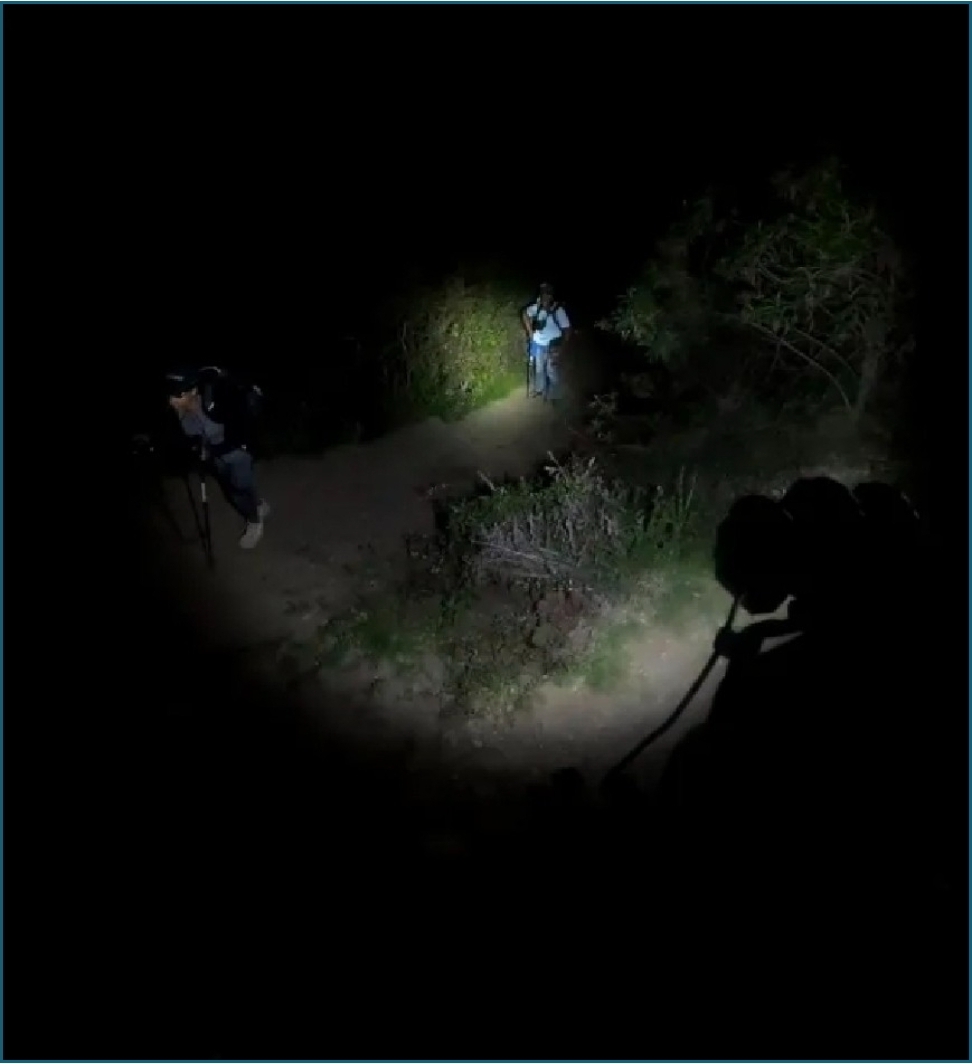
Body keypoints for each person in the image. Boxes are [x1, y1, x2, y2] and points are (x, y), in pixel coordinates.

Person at [166, 366, 269, 550]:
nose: (171, 401)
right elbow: (192, 432)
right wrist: (184, 413)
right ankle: (258, 504)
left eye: (175, 396)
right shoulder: (186, 406)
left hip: (236, 452)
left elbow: (222, 431)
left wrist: (196, 412)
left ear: (190, 391)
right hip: (218, 455)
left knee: (237, 492)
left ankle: (254, 521)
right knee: (236, 485)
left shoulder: (215, 397)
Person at [521, 282, 571, 402]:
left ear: (551, 296)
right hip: (538, 343)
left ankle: (555, 395)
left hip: (553, 345)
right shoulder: (537, 307)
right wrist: (530, 332)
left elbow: (567, 330)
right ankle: (540, 390)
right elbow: (524, 314)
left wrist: (561, 347)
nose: (545, 297)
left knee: (551, 370)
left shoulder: (558, 310)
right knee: (538, 368)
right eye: (543, 294)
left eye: (547, 294)